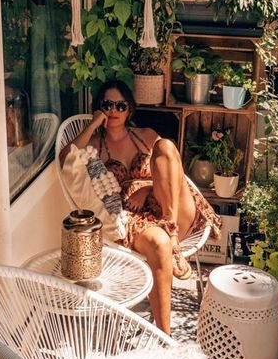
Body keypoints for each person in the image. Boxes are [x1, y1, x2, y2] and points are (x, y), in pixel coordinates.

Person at [61, 79, 221, 334]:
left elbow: (169, 169)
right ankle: (164, 336)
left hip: (172, 210)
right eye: (107, 104)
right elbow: (67, 157)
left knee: (166, 146)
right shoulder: (95, 147)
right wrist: (93, 123)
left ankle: (173, 236)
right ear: (99, 108)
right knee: (159, 244)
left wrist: (146, 188)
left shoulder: (145, 136)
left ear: (130, 110)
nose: (113, 110)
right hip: (136, 217)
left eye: (120, 105)